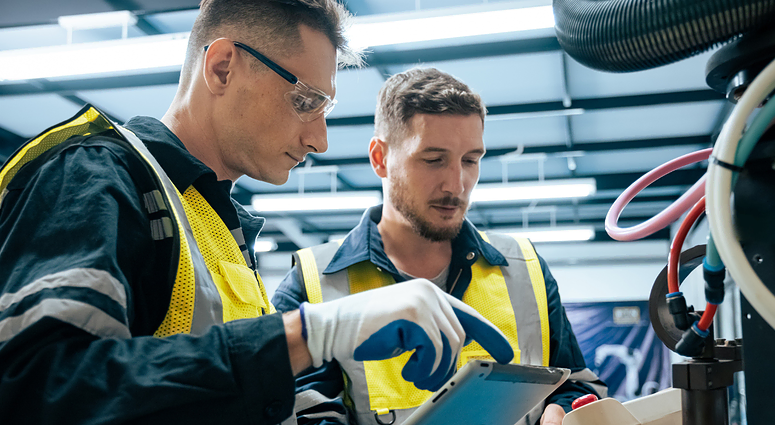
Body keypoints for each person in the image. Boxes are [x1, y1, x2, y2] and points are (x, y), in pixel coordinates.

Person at [0, 2, 514, 424]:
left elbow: (242, 398)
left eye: (325, 109)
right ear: (222, 66)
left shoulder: (218, 227)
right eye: (306, 100)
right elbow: (40, 388)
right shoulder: (95, 175)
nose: (320, 139)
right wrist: (308, 334)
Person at [272, 67, 608, 425]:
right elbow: (302, 412)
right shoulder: (313, 283)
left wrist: (564, 410)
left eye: (470, 160)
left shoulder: (525, 268)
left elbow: (575, 384)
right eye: (433, 160)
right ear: (379, 158)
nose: (456, 183)